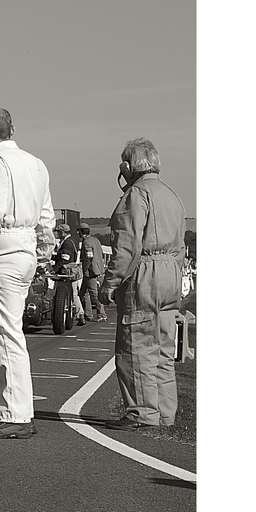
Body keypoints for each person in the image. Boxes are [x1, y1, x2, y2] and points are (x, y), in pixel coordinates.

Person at [0, 106, 56, 439]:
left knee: (4, 337)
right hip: (27, 247)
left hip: (3, 247)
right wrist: (42, 256)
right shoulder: (36, 164)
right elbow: (47, 218)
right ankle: (19, 412)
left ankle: (14, 416)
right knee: (12, 333)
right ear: (12, 129)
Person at [100, 137, 187, 431]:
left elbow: (126, 246)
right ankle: (164, 413)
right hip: (171, 272)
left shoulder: (135, 195)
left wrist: (110, 283)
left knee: (136, 346)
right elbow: (180, 245)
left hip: (145, 272)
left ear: (127, 165)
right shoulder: (172, 196)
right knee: (162, 348)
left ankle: (141, 412)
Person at [79, 224, 107, 322]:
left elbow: (88, 257)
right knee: (83, 293)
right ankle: (86, 313)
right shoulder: (96, 240)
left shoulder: (86, 242)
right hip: (98, 269)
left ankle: (101, 313)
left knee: (93, 293)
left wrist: (84, 269)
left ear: (81, 232)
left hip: (90, 271)